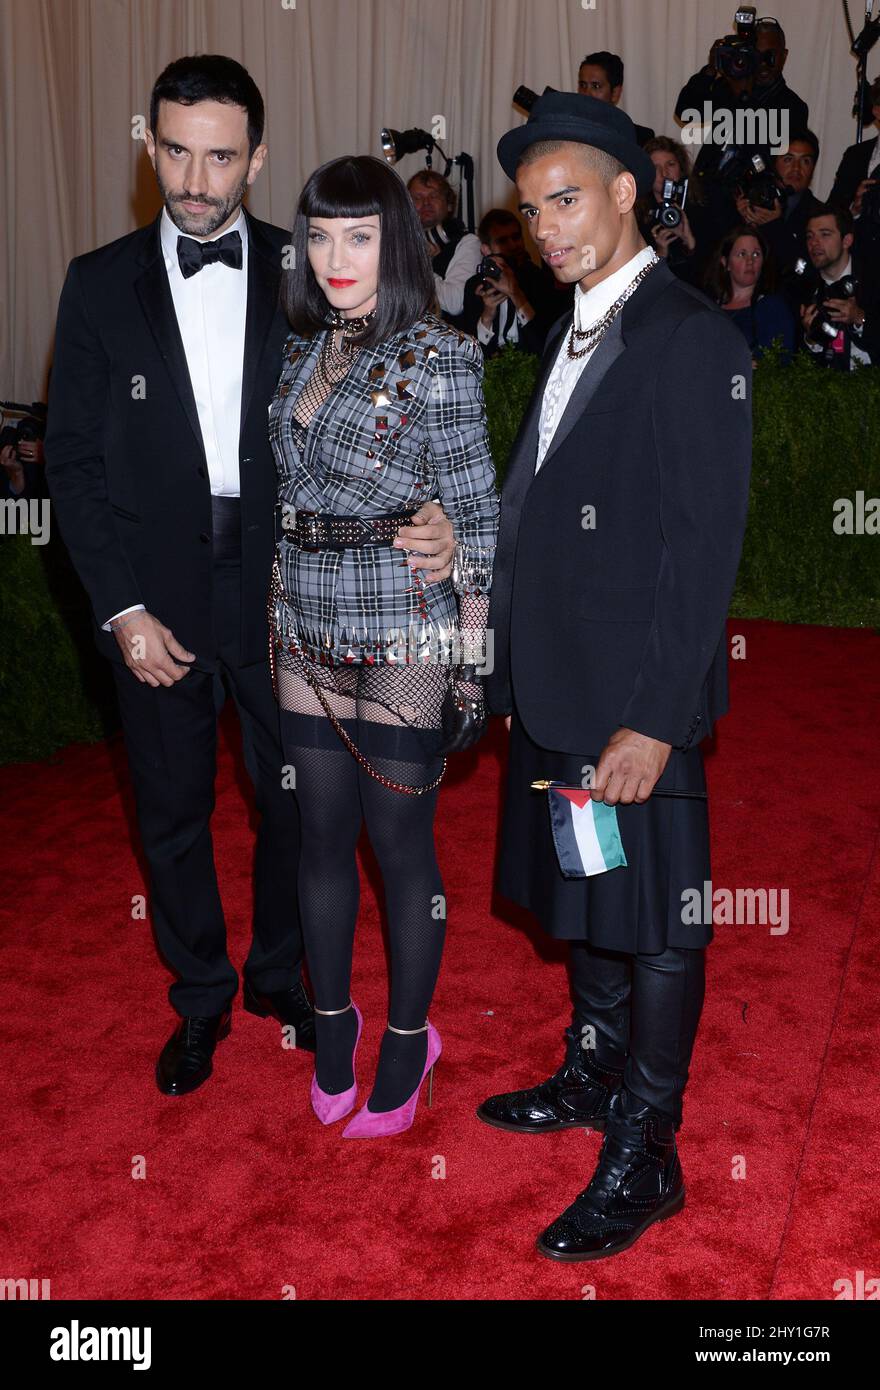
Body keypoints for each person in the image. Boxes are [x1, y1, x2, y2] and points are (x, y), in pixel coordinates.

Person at [43, 54, 457, 1098]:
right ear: (150, 145)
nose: (194, 176)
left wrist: (443, 509)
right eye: (175, 150)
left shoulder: (301, 267)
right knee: (172, 811)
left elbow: (392, 397)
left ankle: (284, 974)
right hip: (157, 598)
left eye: (219, 156)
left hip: (292, 590)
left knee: (300, 804)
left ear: (256, 159)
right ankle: (199, 997)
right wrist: (122, 610)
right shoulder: (96, 285)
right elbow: (74, 464)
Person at [483, 91, 751, 1260]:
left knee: (654, 926)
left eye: (566, 199)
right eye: (530, 207)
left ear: (628, 190)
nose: (543, 226)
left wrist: (652, 719)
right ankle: (594, 1072)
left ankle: (649, 1146)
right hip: (557, 681)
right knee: (586, 892)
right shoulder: (570, 324)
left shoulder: (690, 338)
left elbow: (703, 551)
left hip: (632, 698)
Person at [269, 154, 499, 1138]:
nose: (335, 258)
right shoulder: (294, 351)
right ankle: (333, 1022)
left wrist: (473, 664)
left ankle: (408, 1034)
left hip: (405, 616)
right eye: (319, 236)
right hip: (302, 615)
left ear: (394, 242)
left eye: (358, 236)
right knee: (317, 841)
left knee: (399, 844)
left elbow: (479, 516)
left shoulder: (442, 354)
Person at [457, 208, 572, 358]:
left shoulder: (538, 278)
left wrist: (516, 294)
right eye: (502, 241)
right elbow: (471, 353)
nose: (512, 246)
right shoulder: (476, 286)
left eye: (516, 237)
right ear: (486, 249)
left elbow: (545, 345)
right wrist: (487, 316)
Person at [798, 205, 880, 369]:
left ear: (847, 240)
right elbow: (797, 366)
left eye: (825, 234)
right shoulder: (801, 288)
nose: (814, 243)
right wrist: (811, 339)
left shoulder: (873, 279)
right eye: (810, 236)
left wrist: (860, 318)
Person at [705, 224, 795, 359]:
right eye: (742, 254)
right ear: (725, 262)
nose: (750, 261)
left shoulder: (773, 308)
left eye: (756, 254)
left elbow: (780, 361)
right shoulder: (708, 305)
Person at [407, 169, 482, 323]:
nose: (426, 203)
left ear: (449, 204)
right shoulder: (396, 246)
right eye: (417, 198)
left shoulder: (467, 242)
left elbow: (454, 303)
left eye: (433, 196)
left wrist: (422, 264)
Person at [636, 136, 710, 286]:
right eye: (656, 168)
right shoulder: (636, 217)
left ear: (681, 169)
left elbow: (711, 274)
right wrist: (661, 253)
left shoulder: (701, 209)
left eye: (670, 164)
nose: (664, 173)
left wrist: (690, 243)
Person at [577, 51, 654, 147]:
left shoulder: (639, 138)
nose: (586, 94)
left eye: (596, 86)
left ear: (615, 93)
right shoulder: (568, 132)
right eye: (582, 85)